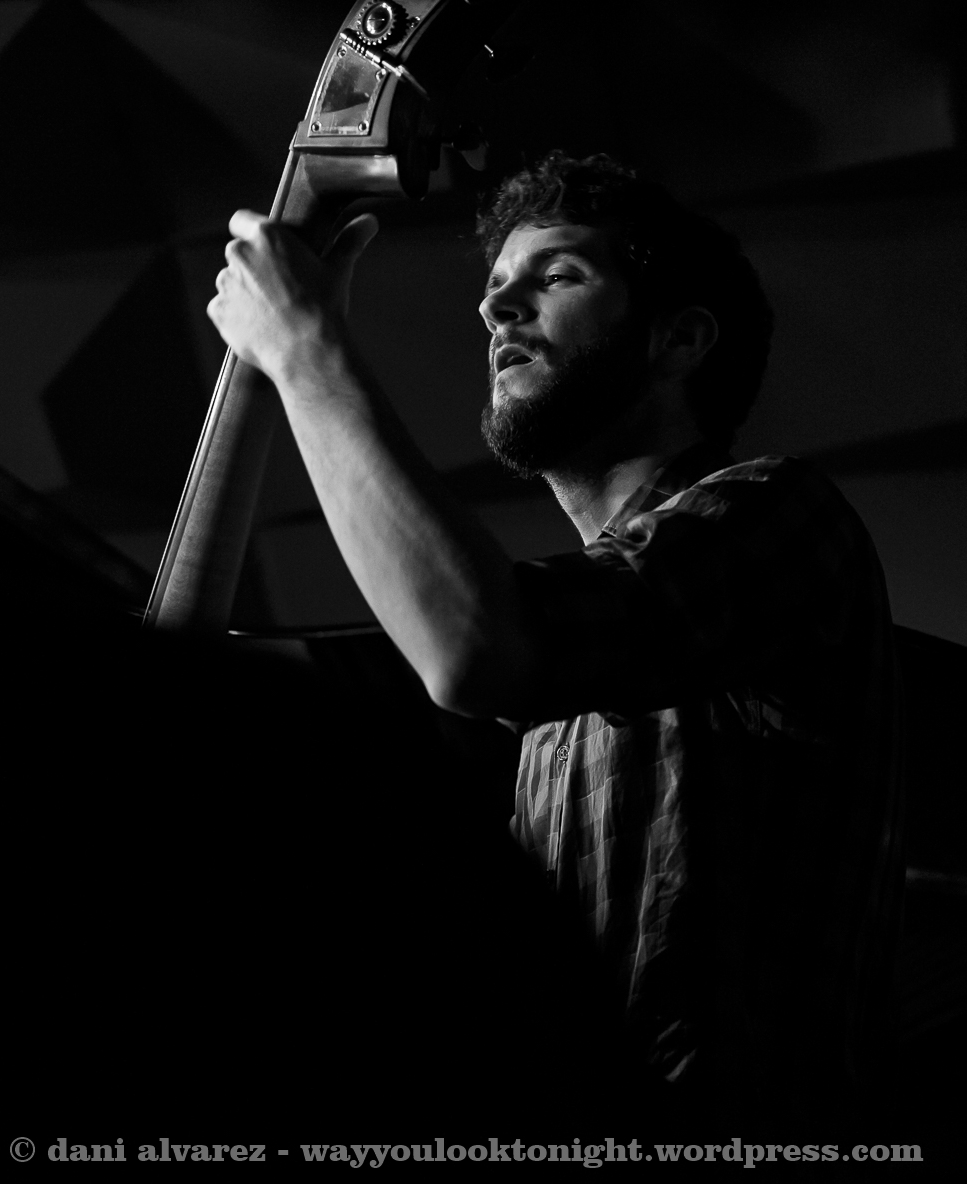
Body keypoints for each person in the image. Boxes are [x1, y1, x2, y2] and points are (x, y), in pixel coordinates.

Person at [207, 151, 904, 1131]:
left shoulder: (778, 512)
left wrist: (307, 356)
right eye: (496, 285)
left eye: (557, 274)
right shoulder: (563, 701)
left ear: (678, 340)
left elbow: (472, 647)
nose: (495, 310)